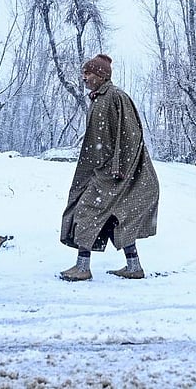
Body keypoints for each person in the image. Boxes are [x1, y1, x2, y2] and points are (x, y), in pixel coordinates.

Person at [59, 54, 160, 282]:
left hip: (116, 173)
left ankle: (82, 267)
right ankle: (134, 267)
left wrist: (118, 168)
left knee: (86, 211)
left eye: (89, 73)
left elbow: (131, 136)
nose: (84, 77)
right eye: (84, 73)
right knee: (118, 217)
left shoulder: (115, 97)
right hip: (103, 171)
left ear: (101, 75)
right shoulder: (98, 99)